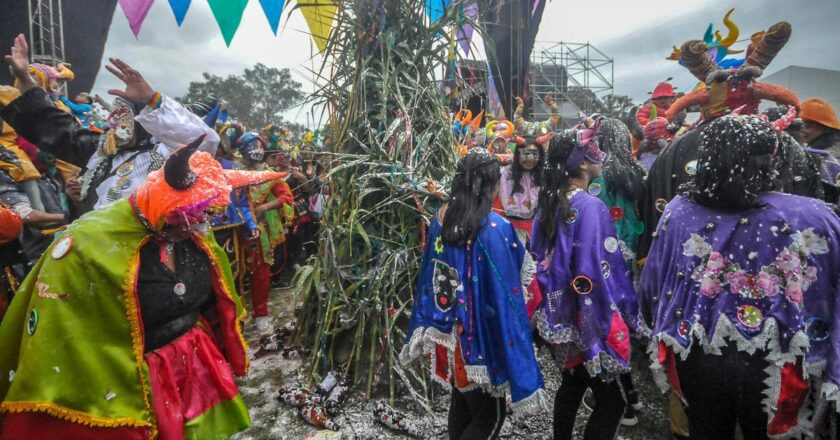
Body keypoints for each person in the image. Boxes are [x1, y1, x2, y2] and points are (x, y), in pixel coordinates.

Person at [0, 136, 285, 439]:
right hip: (130, 379)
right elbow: (63, 339)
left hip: (196, 360)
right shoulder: (85, 243)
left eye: (207, 217)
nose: (199, 227)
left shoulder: (193, 226)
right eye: (191, 216)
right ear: (165, 203)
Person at [639, 114, 840, 439]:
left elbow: (652, 287)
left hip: (697, 351)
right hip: (777, 359)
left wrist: (653, 325)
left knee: (706, 430)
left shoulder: (679, 211)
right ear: (770, 160)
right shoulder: (813, 215)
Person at [401, 147, 547, 439]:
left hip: (449, 334)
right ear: (489, 185)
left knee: (463, 401)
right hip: (480, 341)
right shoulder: (494, 227)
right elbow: (510, 290)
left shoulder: (442, 218)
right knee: (490, 417)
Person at [2, 34, 219, 214]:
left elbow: (205, 142)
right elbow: (56, 129)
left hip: (149, 256)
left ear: (143, 123)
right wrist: (26, 80)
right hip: (94, 250)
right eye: (113, 121)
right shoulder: (101, 153)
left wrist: (152, 98)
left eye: (124, 121)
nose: (117, 128)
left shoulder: (167, 155)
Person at [530, 121, 644, 440]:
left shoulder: (548, 204)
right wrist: (618, 311)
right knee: (613, 402)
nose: (602, 155)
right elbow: (595, 269)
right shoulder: (590, 206)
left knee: (573, 382)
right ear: (581, 161)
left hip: (562, 314)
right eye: (595, 150)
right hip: (590, 315)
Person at [236, 132, 293, 334]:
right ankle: (235, 318)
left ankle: (261, 313)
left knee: (260, 274)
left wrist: (264, 207)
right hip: (231, 230)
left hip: (260, 232)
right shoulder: (231, 169)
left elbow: (286, 197)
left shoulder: (268, 174)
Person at [492, 134, 547, 317]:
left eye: (534, 154)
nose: (530, 159)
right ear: (518, 154)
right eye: (526, 153)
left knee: (534, 277)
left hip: (536, 231)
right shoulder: (504, 174)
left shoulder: (544, 176)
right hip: (508, 230)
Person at [800, 98, 840, 202]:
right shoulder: (816, 149)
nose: (802, 131)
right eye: (800, 126)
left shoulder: (829, 158)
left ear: (826, 128)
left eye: (807, 126)